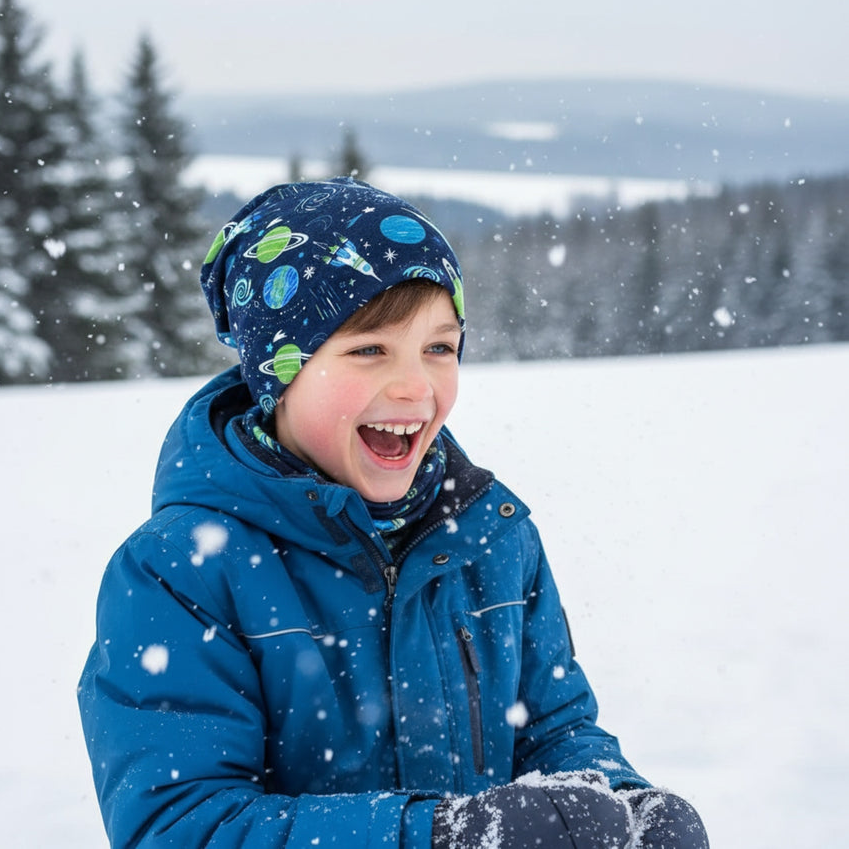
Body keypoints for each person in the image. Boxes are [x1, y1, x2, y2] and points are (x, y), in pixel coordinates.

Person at [78, 177, 709, 848]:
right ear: (280, 371)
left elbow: (554, 731)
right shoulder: (180, 571)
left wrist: (618, 804)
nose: (416, 386)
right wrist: (435, 837)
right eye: (369, 349)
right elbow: (180, 826)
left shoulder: (492, 538)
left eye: (439, 347)